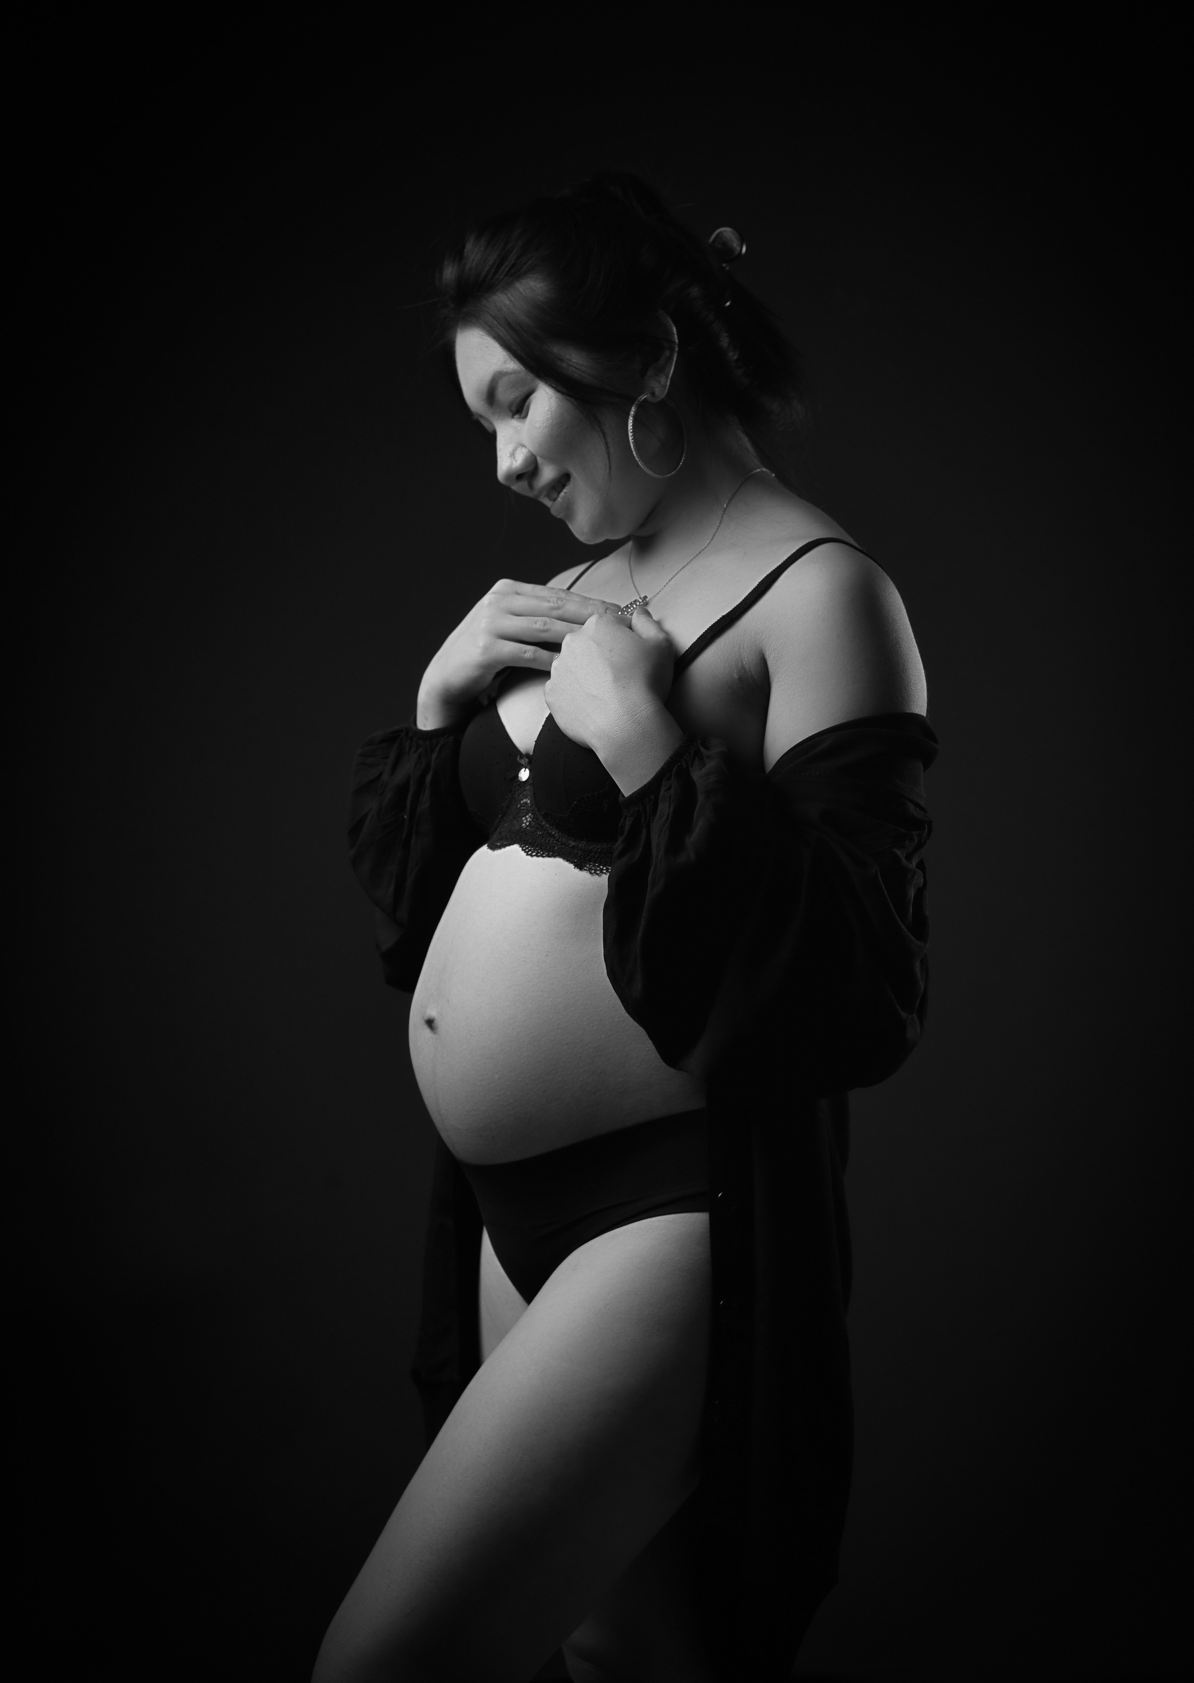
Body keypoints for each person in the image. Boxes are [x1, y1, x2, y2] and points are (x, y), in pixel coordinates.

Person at [321, 174, 937, 1682]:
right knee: (629, 1665)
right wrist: (438, 710)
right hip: (503, 1216)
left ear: (650, 358)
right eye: (482, 420)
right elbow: (431, 911)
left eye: (519, 401)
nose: (505, 459)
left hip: (661, 1218)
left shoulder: (825, 597)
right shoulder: (577, 588)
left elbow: (861, 984)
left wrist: (654, 747)